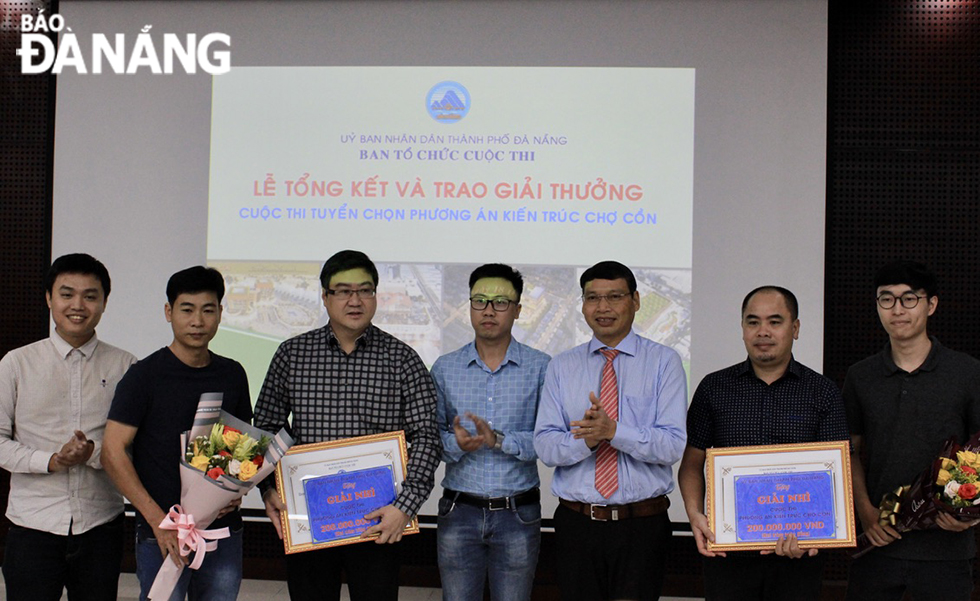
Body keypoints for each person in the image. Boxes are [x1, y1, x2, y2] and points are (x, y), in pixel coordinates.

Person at [254, 249, 440, 601]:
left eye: (365, 290)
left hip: (379, 521)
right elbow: (266, 428)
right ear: (325, 297)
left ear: (375, 295)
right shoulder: (292, 355)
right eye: (342, 290)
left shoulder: (402, 359)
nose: (355, 300)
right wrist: (267, 491)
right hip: (308, 518)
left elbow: (428, 437)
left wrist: (406, 506)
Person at [678, 286, 849, 600]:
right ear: (742, 328)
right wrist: (694, 514)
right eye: (753, 322)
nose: (763, 332)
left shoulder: (822, 392)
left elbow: (837, 476)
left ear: (795, 329)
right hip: (728, 556)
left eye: (775, 321)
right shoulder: (713, 388)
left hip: (797, 556)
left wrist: (819, 535)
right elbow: (691, 466)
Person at [533, 260, 687, 601]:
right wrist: (588, 440)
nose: (602, 307)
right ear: (583, 304)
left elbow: (672, 445)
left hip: (642, 524)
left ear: (635, 300)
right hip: (577, 524)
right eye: (592, 298)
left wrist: (614, 431)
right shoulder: (562, 366)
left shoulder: (664, 362)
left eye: (614, 296)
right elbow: (544, 445)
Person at [103, 266, 251, 601]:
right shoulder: (144, 376)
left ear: (220, 314)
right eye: (187, 309)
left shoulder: (232, 373)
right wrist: (157, 520)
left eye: (208, 309)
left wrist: (234, 489)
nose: (198, 320)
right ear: (169, 312)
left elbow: (241, 446)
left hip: (223, 531)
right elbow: (112, 451)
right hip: (161, 533)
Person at [0, 253, 136, 601]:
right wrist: (53, 460)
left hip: (100, 525)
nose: (78, 305)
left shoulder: (126, 366)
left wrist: (94, 454)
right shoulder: (16, 364)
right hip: (31, 525)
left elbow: (137, 446)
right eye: (66, 294)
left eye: (90, 295)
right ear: (48, 298)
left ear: (105, 301)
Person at [845, 261, 980, 600]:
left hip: (946, 549)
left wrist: (966, 511)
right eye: (886, 299)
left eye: (909, 299)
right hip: (878, 543)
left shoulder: (967, 371)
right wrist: (865, 512)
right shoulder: (861, 376)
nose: (897, 310)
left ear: (930, 304)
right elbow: (849, 451)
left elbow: (978, 449)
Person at [432, 264, 550, 601]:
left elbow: (547, 439)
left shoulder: (541, 366)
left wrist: (499, 441)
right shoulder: (445, 367)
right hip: (458, 511)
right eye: (479, 300)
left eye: (500, 302)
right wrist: (457, 443)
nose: (488, 310)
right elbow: (429, 439)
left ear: (517, 311)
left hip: (518, 512)